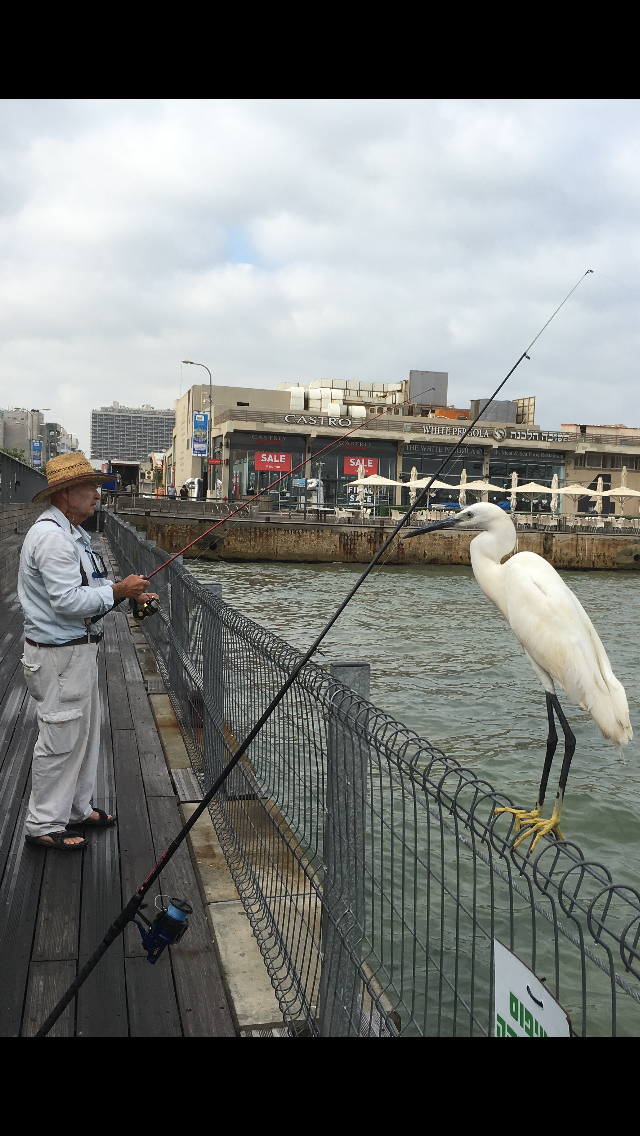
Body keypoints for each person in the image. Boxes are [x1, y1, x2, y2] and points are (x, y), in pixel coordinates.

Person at [19, 453, 158, 851]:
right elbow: (66, 601)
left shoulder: (72, 534)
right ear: (66, 493)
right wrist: (119, 590)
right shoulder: (52, 539)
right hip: (58, 657)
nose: (98, 495)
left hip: (76, 653)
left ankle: (77, 809)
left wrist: (127, 595)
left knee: (82, 735)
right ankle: (43, 824)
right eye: (91, 488)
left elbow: (89, 591)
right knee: (60, 738)